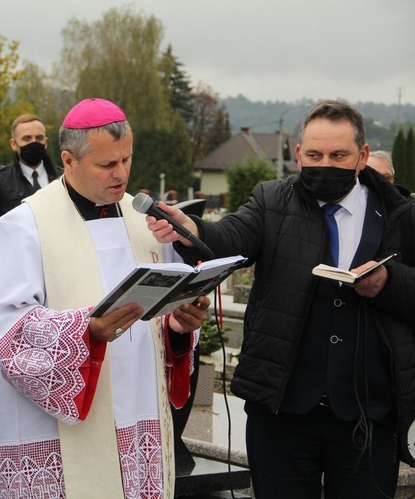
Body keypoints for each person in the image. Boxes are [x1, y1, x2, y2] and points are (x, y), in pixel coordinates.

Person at [150, 100, 415, 498]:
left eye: (337, 155)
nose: (324, 163)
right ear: (297, 155)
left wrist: (388, 283)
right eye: (314, 154)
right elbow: (231, 238)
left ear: (362, 156)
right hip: (282, 411)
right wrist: (192, 229)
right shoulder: (272, 200)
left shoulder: (399, 214)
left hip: (368, 415)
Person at [0, 98, 209, 497]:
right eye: (107, 164)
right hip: (60, 429)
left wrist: (178, 327)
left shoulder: (147, 222)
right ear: (68, 160)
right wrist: (85, 331)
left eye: (126, 159)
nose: (121, 174)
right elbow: (8, 330)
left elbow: (159, 319)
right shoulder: (24, 225)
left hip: (138, 415)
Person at [0, 113, 62, 218]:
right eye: (27, 138)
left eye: (39, 138)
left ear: (46, 142)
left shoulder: (63, 178)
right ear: (13, 144)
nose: (34, 143)